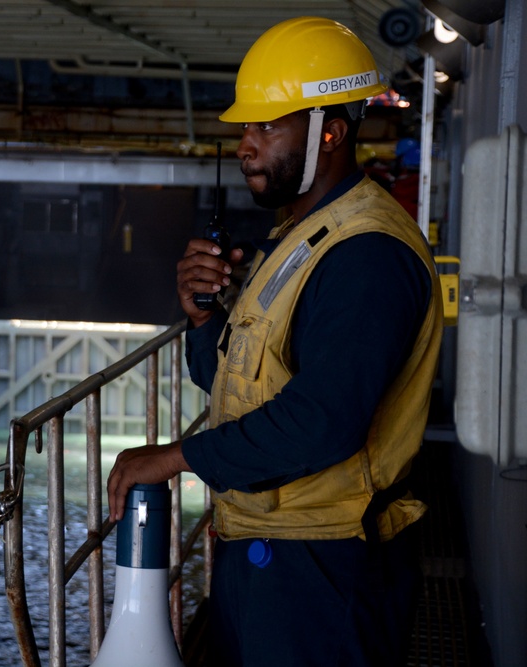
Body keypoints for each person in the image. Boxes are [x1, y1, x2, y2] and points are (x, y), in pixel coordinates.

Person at [106, 17, 443, 667]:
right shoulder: (299, 237)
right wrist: (203, 320)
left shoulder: (366, 255)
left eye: (267, 126)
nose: (246, 144)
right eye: (244, 128)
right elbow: (242, 380)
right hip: (271, 553)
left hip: (324, 569)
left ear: (331, 133)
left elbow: (322, 420)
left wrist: (176, 457)